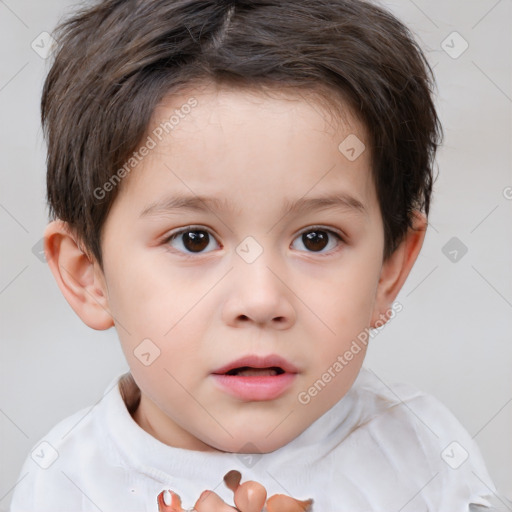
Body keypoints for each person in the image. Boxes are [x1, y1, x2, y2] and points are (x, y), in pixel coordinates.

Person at [9, 0, 500, 510]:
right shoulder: (64, 485)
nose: (262, 300)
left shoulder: (424, 455)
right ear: (89, 275)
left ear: (388, 270)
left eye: (316, 238)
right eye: (194, 239)